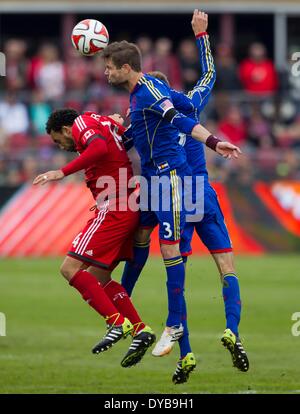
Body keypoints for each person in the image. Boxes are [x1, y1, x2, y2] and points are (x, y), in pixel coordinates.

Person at [102, 24, 241, 381]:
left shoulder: (149, 102)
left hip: (170, 184)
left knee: (154, 246)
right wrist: (201, 37)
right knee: (219, 264)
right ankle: (228, 330)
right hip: (194, 190)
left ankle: (166, 329)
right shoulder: (187, 100)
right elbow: (209, 73)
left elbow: (135, 134)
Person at [33, 108, 156, 368]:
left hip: (114, 206)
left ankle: (115, 322)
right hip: (128, 204)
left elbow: (99, 148)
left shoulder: (80, 123)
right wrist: (116, 123)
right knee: (98, 277)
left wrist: (61, 172)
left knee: (69, 268)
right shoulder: (98, 121)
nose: (62, 145)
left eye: (58, 140)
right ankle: (139, 328)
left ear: (66, 130)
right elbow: (121, 140)